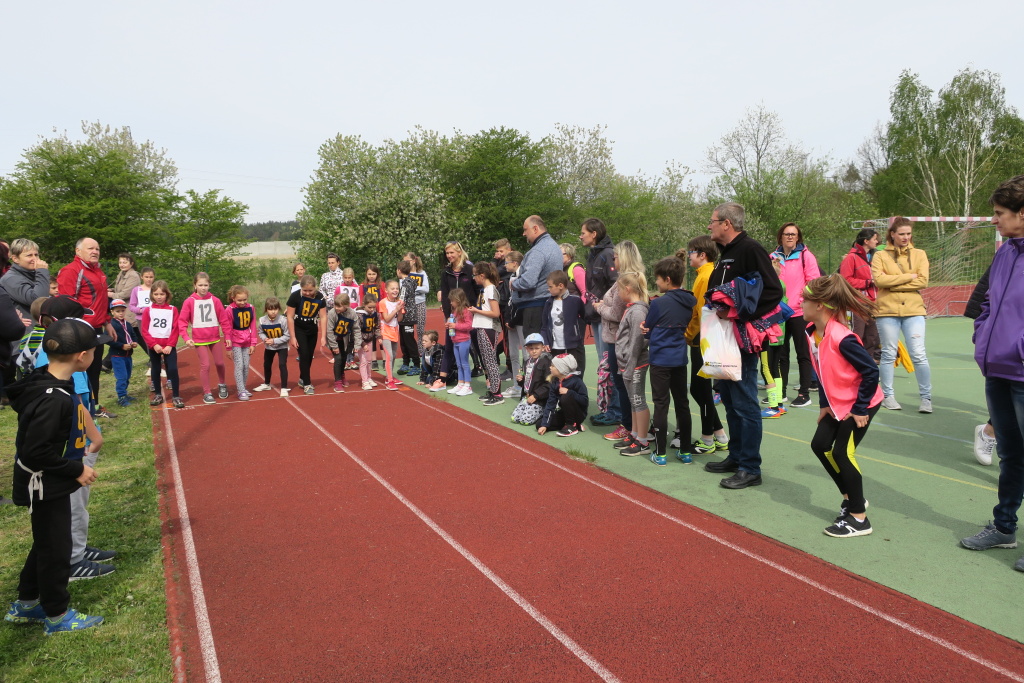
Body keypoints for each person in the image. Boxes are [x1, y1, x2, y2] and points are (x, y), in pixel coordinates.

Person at [5, 318, 108, 634]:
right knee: (57, 550)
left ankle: (26, 603)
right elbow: (35, 452)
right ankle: (56, 613)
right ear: (82, 356)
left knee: (46, 543)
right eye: (94, 350)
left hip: (48, 481)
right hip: (44, 483)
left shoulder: (51, 382)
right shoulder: (53, 398)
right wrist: (77, 469)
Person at [960, 175, 1024, 572]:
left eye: (1000, 213)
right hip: (997, 369)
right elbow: (988, 302)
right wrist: (982, 333)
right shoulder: (1005, 253)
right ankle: (1004, 528)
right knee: (1010, 454)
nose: (995, 220)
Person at [703, 202, 784, 490]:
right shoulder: (726, 253)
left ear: (727, 223)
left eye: (712, 221)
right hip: (723, 339)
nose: (709, 226)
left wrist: (738, 313)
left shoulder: (750, 249)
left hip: (742, 340)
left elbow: (773, 291)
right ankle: (736, 457)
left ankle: (750, 468)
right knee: (729, 398)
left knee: (746, 401)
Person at [803, 275, 884, 538]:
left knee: (842, 453)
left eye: (804, 300)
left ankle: (859, 518)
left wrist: (860, 409)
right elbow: (821, 371)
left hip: (861, 402)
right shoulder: (812, 332)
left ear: (819, 305)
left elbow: (871, 372)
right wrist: (824, 404)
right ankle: (851, 498)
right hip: (838, 403)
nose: (800, 303)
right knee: (820, 445)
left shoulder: (842, 338)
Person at [871, 217, 932, 413]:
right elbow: (879, 281)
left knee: (918, 354)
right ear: (892, 234)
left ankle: (926, 398)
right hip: (887, 311)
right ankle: (888, 396)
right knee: (888, 353)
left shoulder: (920, 254)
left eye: (908, 234)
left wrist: (893, 282)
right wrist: (908, 277)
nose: (906, 237)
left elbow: (923, 281)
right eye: (902, 234)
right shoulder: (880, 255)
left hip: (914, 310)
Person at [645, 257, 697, 466]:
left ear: (667, 279)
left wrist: (647, 330)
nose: (656, 283)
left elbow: (648, 326)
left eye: (658, 279)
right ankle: (685, 451)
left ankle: (660, 453)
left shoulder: (658, 303)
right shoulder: (690, 300)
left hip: (660, 360)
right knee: (682, 403)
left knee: (661, 405)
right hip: (679, 359)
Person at [680, 238, 729, 456]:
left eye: (691, 252)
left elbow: (700, 312)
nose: (689, 255)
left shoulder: (705, 276)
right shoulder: (706, 273)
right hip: (706, 336)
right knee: (699, 388)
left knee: (701, 388)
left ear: (702, 255)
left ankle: (707, 438)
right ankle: (720, 435)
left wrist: (688, 334)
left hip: (703, 337)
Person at [56, 237, 115, 419]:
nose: (95, 251)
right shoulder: (71, 271)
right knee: (78, 372)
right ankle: (75, 409)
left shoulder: (98, 271)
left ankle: (94, 406)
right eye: (90, 248)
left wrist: (107, 322)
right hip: (79, 331)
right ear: (78, 251)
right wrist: (72, 330)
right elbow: (65, 303)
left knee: (94, 369)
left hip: (96, 330)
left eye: (97, 248)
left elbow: (101, 301)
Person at [595, 241, 644, 444]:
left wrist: (599, 307)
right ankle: (634, 426)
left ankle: (628, 426)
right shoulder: (630, 278)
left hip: (619, 340)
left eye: (615, 257)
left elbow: (616, 313)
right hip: (618, 338)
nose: (613, 260)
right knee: (625, 385)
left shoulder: (626, 280)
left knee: (623, 385)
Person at [772, 223, 821, 408]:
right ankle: (781, 393)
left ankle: (804, 394)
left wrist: (802, 301)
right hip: (779, 313)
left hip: (800, 312)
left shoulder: (806, 256)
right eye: (787, 234)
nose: (790, 237)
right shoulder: (773, 257)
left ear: (798, 237)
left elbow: (814, 282)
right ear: (781, 237)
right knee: (780, 355)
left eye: (793, 234)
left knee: (803, 354)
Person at [580, 218, 618, 427]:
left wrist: (606, 306)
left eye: (583, 232)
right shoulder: (593, 254)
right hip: (595, 315)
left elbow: (615, 285)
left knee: (608, 364)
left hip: (606, 317)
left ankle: (614, 410)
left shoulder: (607, 254)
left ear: (594, 234)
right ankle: (608, 407)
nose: (580, 236)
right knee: (604, 365)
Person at [611, 273, 653, 456]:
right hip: (628, 363)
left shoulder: (637, 312)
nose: (618, 293)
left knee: (637, 400)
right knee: (632, 400)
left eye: (619, 289)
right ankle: (635, 434)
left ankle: (643, 441)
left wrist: (629, 363)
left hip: (635, 363)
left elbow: (638, 341)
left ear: (627, 289)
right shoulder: (632, 309)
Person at [432, 241, 478, 391]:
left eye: (452, 252)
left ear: (459, 252)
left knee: (477, 346)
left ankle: (489, 379)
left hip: (470, 314)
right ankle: (443, 380)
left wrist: (475, 309)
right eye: (447, 253)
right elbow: (445, 295)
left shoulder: (470, 269)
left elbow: (477, 291)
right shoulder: (446, 272)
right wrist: (448, 315)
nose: (449, 255)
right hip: (453, 315)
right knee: (449, 346)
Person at [178, 272, 228, 405]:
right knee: (205, 365)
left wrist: (227, 335)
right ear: (195, 285)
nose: (203, 288)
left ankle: (222, 384)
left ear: (209, 285)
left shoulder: (215, 300)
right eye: (200, 285)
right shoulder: (189, 301)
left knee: (220, 363)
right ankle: (207, 392)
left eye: (206, 285)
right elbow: (182, 322)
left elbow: (224, 320)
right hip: (199, 340)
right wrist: (186, 337)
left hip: (214, 337)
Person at [511, 215, 563, 339]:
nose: (524, 234)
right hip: (549, 303)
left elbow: (528, 282)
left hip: (535, 307)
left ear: (535, 229)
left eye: (525, 230)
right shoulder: (554, 246)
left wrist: (513, 284)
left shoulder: (537, 251)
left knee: (534, 346)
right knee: (547, 345)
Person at [840, 227, 881, 362]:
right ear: (866, 241)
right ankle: (854, 361)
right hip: (858, 302)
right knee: (858, 333)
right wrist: (867, 282)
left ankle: (868, 361)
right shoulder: (851, 257)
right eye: (874, 239)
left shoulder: (876, 257)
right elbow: (846, 280)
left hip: (873, 302)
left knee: (872, 335)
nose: (877, 242)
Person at [140, 281, 184, 408]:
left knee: (172, 369)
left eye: (162, 294)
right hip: (154, 346)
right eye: (156, 294)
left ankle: (176, 395)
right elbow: (144, 330)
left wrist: (170, 345)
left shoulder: (172, 309)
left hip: (169, 346)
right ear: (152, 295)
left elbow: (175, 328)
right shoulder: (148, 310)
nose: (159, 297)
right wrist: (154, 345)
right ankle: (158, 394)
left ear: (167, 295)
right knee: (156, 369)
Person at [286, 274, 327, 394]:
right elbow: (290, 317)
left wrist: (323, 336)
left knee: (309, 355)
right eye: (305, 290)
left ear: (315, 288)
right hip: (299, 327)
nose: (308, 293)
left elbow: (323, 317)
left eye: (310, 290)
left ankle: (302, 378)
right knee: (303, 354)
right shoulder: (295, 296)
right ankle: (307, 384)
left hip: (312, 328)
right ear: (301, 288)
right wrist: (292, 337)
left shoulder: (320, 297)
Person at [469, 262, 503, 405]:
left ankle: (497, 394)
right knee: (486, 360)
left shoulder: (491, 289)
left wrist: (477, 311)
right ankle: (493, 390)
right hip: (481, 326)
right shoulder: (484, 289)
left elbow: (495, 313)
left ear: (482, 276)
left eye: (475, 275)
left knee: (490, 361)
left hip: (489, 327)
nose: (474, 278)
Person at [540, 270, 586, 374]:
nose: (548, 289)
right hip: (555, 347)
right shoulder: (548, 303)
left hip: (574, 346)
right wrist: (546, 342)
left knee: (576, 374)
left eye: (550, 287)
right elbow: (544, 326)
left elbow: (583, 318)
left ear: (560, 286)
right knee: (557, 375)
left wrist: (578, 336)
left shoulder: (575, 301)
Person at [103, 253, 141, 371]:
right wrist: (111, 290)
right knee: (129, 335)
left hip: (128, 310)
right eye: (120, 262)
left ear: (131, 263)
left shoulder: (133, 276)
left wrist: (110, 294)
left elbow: (125, 294)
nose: (122, 264)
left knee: (133, 334)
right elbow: (119, 290)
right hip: (122, 309)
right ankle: (106, 364)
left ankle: (106, 363)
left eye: (125, 262)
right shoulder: (121, 274)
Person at [536, 353, 588, 437]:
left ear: (561, 369)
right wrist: (545, 425)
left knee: (565, 397)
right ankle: (574, 425)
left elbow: (584, 401)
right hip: (564, 413)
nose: (550, 367)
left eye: (553, 366)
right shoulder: (555, 382)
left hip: (578, 414)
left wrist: (569, 392)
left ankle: (571, 425)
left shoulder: (576, 381)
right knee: (539, 424)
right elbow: (550, 404)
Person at [222, 285, 259, 401]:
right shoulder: (229, 310)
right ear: (233, 298)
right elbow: (227, 329)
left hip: (247, 341)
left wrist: (253, 343)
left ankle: (243, 387)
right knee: (239, 365)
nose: (242, 302)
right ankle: (241, 390)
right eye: (239, 300)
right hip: (235, 341)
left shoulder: (251, 308)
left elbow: (253, 325)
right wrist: (228, 348)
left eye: (244, 300)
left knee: (246, 366)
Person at [1, 238, 50, 320]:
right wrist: (42, 272)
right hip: (26, 326)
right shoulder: (10, 279)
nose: (35, 259)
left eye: (36, 255)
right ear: (15, 259)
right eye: (29, 255)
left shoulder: (34, 274)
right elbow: (38, 301)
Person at [510, 334, 552, 426]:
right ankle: (531, 408)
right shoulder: (526, 362)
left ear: (543, 348)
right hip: (527, 397)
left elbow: (549, 384)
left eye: (537, 348)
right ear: (527, 349)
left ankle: (543, 411)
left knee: (525, 421)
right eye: (531, 348)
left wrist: (536, 395)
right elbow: (527, 382)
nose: (534, 351)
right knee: (515, 418)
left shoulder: (546, 363)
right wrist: (520, 380)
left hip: (539, 399)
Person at [254, 297, 290, 397]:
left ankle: (284, 387)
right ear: (266, 309)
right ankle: (266, 384)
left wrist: (274, 341)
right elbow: (260, 332)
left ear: (279, 309)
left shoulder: (283, 320)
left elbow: (287, 335)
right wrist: (265, 339)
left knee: (282, 365)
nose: (273, 311)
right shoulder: (262, 320)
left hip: (282, 347)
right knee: (267, 364)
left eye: (275, 309)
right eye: (270, 309)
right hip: (269, 347)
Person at [326, 292, 362, 392]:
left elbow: (356, 329)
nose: (336, 308)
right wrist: (334, 346)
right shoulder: (332, 313)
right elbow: (329, 331)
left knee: (344, 358)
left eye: (339, 306)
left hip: (345, 339)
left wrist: (357, 344)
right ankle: (337, 382)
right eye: (335, 305)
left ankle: (342, 375)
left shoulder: (352, 313)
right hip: (333, 339)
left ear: (346, 305)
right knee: (338, 359)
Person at [500, 251, 524, 396]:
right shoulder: (512, 276)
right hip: (512, 319)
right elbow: (511, 300)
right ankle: (517, 385)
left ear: (515, 263)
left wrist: (514, 319)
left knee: (527, 355)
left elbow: (522, 300)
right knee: (513, 354)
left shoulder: (524, 276)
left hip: (521, 320)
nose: (504, 266)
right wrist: (508, 318)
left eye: (506, 263)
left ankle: (526, 386)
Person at [107, 299, 137, 408]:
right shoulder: (111, 325)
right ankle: (121, 397)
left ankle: (125, 394)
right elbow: (108, 340)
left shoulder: (127, 324)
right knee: (122, 377)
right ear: (112, 312)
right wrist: (121, 346)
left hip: (128, 355)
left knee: (127, 375)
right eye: (118, 311)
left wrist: (134, 342)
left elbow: (133, 335)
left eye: (122, 311)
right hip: (117, 355)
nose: (121, 313)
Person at [445, 289, 474, 396]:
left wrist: (455, 325)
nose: (451, 303)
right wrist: (449, 325)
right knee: (459, 363)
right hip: (455, 340)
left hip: (464, 340)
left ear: (458, 300)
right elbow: (454, 323)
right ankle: (460, 383)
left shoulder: (466, 311)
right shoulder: (455, 311)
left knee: (464, 363)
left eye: (452, 300)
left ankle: (468, 385)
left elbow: (469, 326)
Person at [403, 252, 430, 367]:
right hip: (408, 305)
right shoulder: (405, 273)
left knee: (420, 330)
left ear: (413, 261)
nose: (405, 263)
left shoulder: (422, 273)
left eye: (407, 261)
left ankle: (422, 352)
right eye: (404, 261)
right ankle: (410, 354)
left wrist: (413, 287)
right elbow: (402, 288)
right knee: (408, 331)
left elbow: (426, 289)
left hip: (420, 304)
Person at [377, 280, 405, 390]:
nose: (395, 290)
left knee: (393, 354)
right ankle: (389, 381)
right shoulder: (383, 303)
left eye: (397, 288)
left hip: (395, 330)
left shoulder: (399, 302)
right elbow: (387, 319)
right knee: (389, 356)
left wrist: (400, 309)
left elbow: (400, 319)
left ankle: (390, 376)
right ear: (386, 290)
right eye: (392, 288)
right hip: (385, 331)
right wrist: (395, 309)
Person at [396, 261, 419, 377]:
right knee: (404, 341)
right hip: (408, 316)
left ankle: (416, 364)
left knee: (408, 341)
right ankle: (406, 362)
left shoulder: (405, 284)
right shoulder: (412, 281)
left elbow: (402, 299)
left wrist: (396, 309)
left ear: (399, 271)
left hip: (406, 316)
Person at [129, 266, 156, 356]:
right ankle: (152, 358)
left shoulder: (156, 289)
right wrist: (141, 310)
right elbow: (132, 306)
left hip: (155, 318)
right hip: (141, 319)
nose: (149, 279)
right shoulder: (136, 290)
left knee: (156, 338)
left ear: (154, 277)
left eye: (151, 277)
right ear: (142, 277)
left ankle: (158, 357)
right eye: (146, 277)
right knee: (147, 339)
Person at [356, 295, 380, 391]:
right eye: (369, 307)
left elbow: (377, 327)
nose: (372, 309)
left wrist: (379, 337)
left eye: (373, 307)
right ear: (364, 304)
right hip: (360, 341)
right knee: (363, 361)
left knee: (369, 361)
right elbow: (356, 331)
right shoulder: (359, 316)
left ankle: (369, 378)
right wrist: (362, 344)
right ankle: (364, 381)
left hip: (370, 339)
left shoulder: (375, 314)